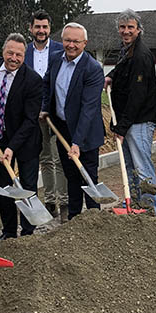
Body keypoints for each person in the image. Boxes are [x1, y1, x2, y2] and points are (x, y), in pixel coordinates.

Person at [0, 33, 43, 239]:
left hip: (26, 141)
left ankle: (28, 230)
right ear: (3, 51)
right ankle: (8, 231)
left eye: (19, 55)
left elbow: (31, 120)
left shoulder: (33, 81)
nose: (14, 58)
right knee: (4, 187)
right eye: (10, 53)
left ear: (25, 56)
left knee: (27, 186)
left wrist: (12, 147)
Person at [41, 22, 105, 220]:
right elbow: (46, 84)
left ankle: (95, 219)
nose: (71, 45)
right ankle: (75, 218)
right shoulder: (55, 60)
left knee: (88, 178)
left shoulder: (92, 69)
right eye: (68, 40)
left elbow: (89, 109)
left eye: (76, 41)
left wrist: (77, 142)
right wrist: (45, 108)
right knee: (71, 176)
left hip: (85, 133)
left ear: (85, 43)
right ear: (62, 41)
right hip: (62, 128)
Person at [104, 9, 156, 214]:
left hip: (140, 121)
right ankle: (135, 202)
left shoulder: (141, 55)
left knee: (142, 166)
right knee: (130, 166)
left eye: (130, 27)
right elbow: (121, 69)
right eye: (122, 27)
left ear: (138, 29)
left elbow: (137, 95)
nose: (126, 31)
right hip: (129, 121)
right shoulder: (126, 50)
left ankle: (149, 207)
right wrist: (110, 75)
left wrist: (122, 126)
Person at [25, 10, 67, 222]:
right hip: (33, 114)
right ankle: (50, 201)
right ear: (31, 29)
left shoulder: (60, 50)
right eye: (37, 27)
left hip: (55, 112)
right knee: (45, 159)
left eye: (45, 27)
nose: (41, 31)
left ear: (50, 29)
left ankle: (65, 201)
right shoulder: (24, 53)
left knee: (59, 157)